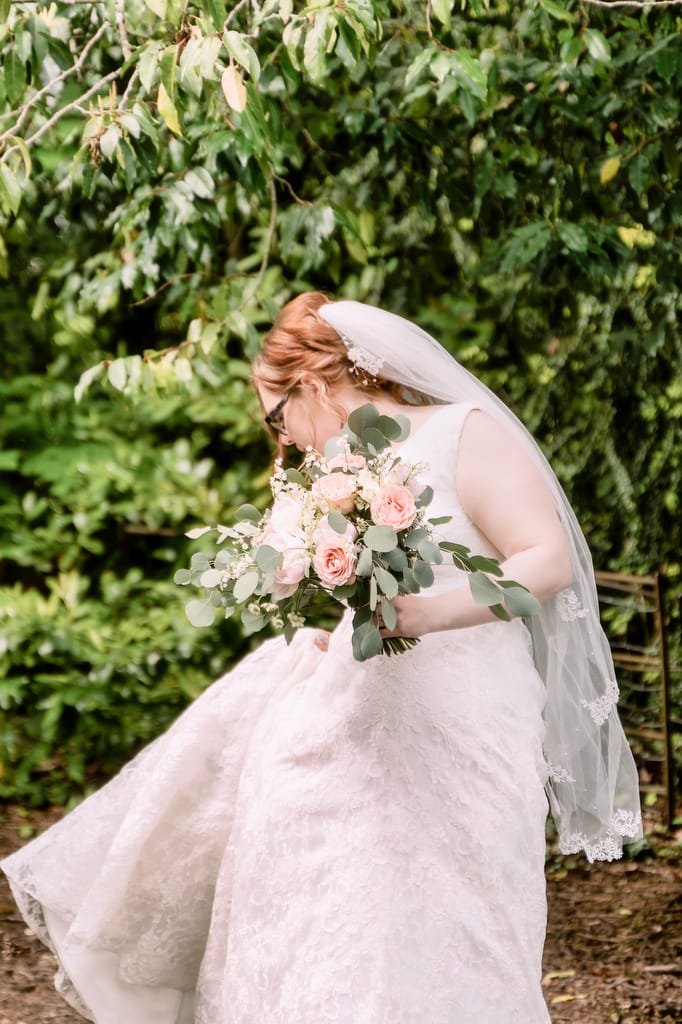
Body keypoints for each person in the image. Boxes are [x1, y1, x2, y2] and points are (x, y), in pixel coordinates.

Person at [1, 292, 642, 1024]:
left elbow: (548, 559)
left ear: (309, 385)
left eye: (277, 418)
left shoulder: (466, 434)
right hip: (344, 724)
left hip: (463, 721)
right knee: (324, 922)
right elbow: (301, 570)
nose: (283, 440)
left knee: (455, 923)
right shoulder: (323, 474)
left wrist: (432, 612)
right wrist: (295, 582)